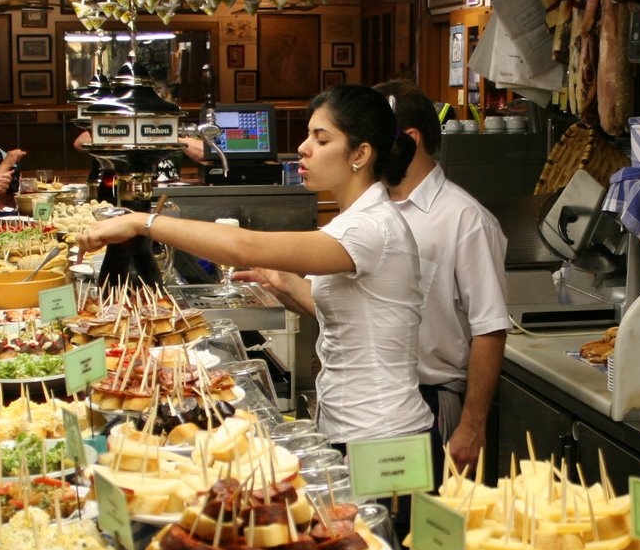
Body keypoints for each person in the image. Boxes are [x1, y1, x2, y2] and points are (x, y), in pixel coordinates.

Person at [78, 84, 432, 446]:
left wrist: (141, 222)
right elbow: (354, 314)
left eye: (321, 139)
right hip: (352, 424)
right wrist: (283, 281)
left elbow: (244, 246)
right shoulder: (355, 219)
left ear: (360, 153)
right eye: (308, 135)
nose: (303, 148)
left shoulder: (372, 226)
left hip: (384, 435)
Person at [376, 81, 509, 476]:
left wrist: (472, 425)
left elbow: (490, 328)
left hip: (429, 402)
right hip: (374, 401)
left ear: (409, 139)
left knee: (422, 528)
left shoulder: (464, 219)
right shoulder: (374, 208)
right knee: (372, 526)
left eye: (370, 138)